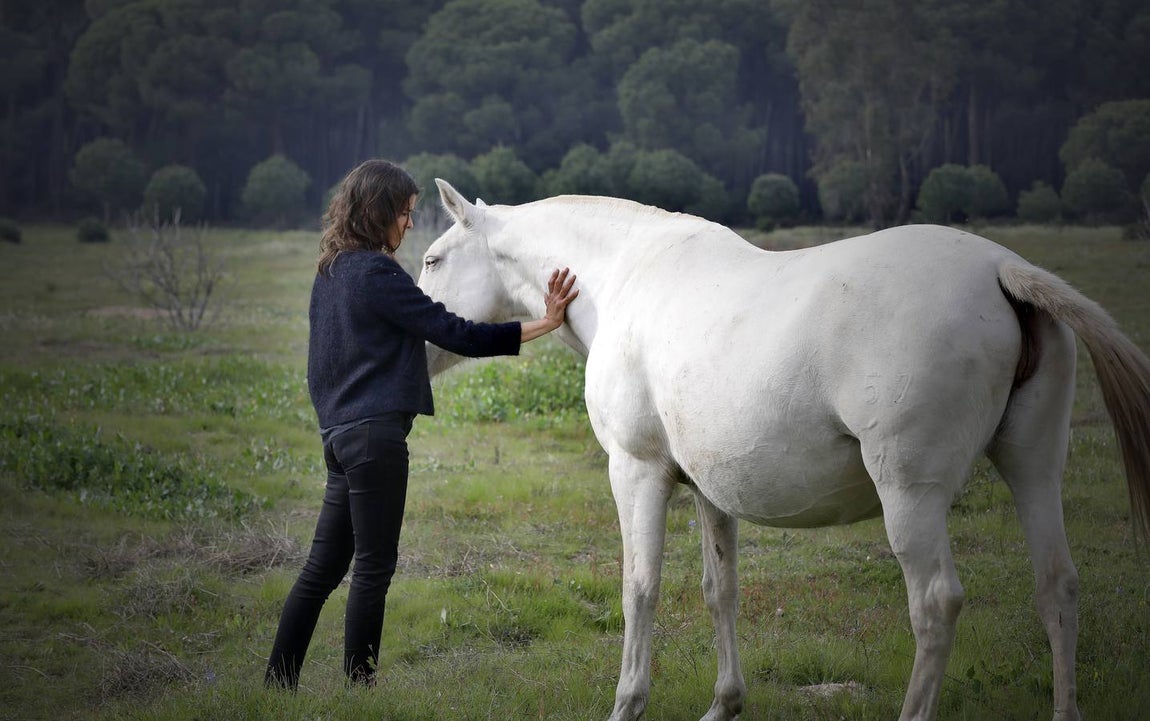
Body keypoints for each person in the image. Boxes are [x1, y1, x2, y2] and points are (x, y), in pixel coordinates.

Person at [264, 159, 578, 690]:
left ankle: (277, 685)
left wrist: (335, 429)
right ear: (379, 211)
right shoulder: (378, 274)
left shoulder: (331, 273)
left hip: (339, 440)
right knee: (372, 569)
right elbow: (454, 331)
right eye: (405, 214)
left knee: (322, 570)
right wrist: (544, 323)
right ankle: (360, 689)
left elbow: (320, 368)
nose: (409, 225)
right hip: (376, 441)